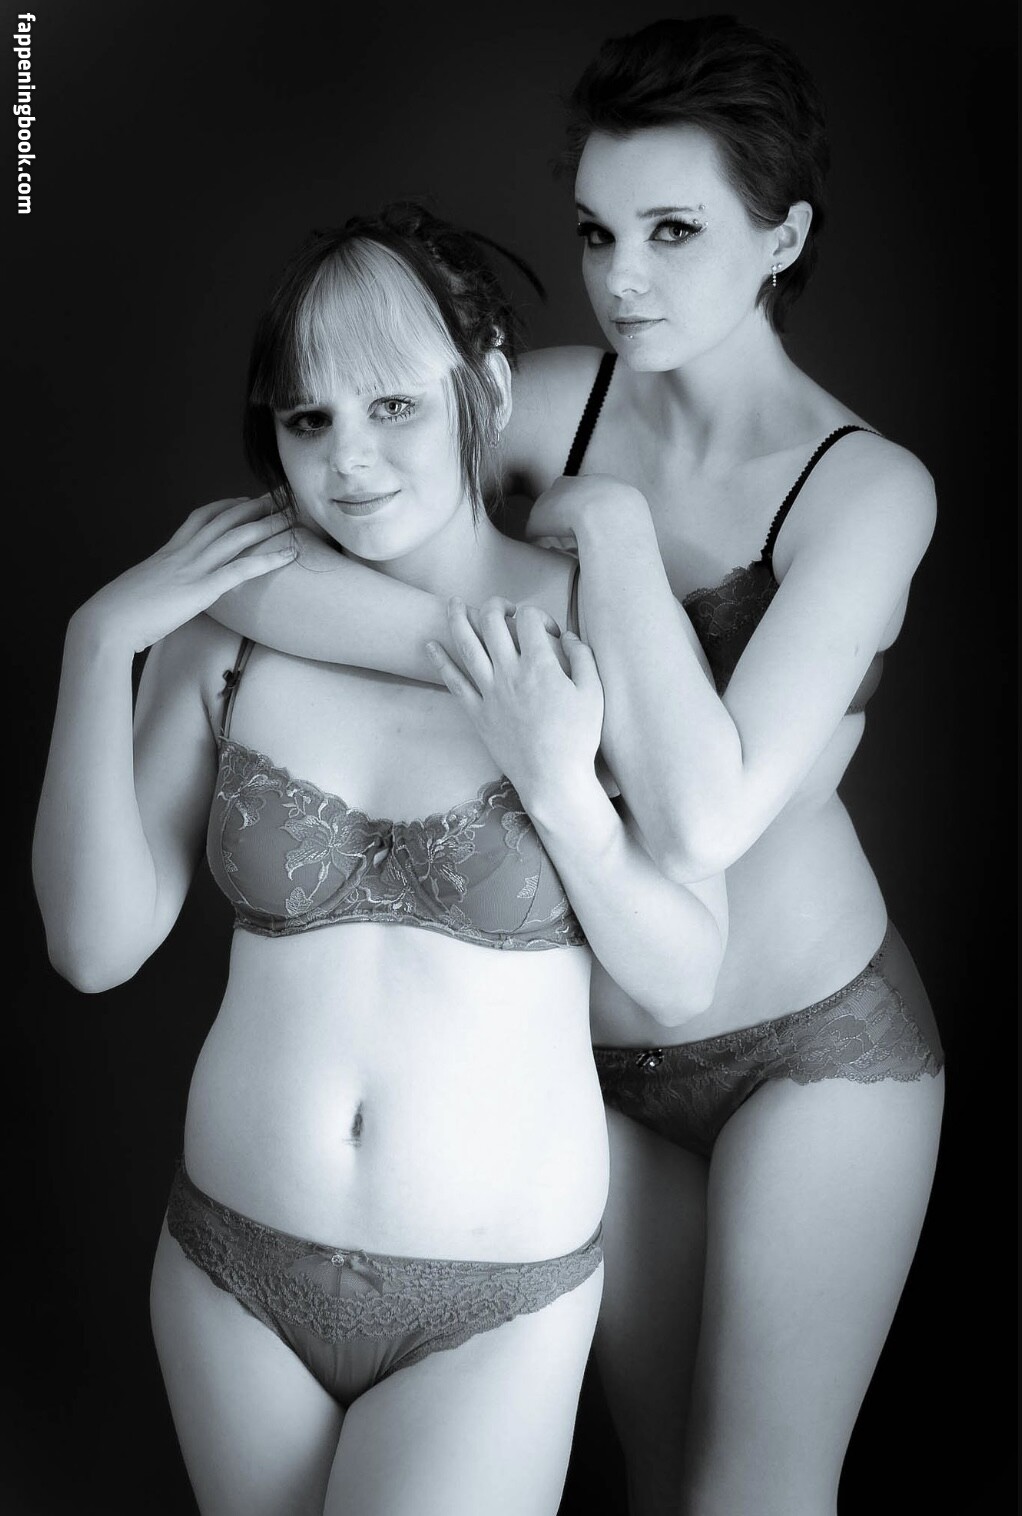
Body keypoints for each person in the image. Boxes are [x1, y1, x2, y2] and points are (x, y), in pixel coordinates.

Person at [187, 17, 945, 1516]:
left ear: (784, 237)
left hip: (809, 1040)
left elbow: (704, 818)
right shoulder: (541, 401)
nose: (623, 279)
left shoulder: (864, 490)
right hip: (583, 1049)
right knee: (651, 1477)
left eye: (674, 232)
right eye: (599, 234)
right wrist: (487, 658)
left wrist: (610, 534)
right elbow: (260, 568)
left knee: (757, 1493)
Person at [31, 205, 729, 1516]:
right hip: (230, 1267)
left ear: (487, 389)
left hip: (488, 1305)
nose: (347, 461)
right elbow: (92, 947)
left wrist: (558, 791)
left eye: (394, 406)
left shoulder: (593, 626)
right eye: (309, 419)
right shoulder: (230, 623)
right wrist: (97, 643)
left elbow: (685, 974)